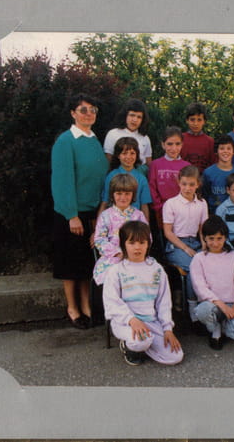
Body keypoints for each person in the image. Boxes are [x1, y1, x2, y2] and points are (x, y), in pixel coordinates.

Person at [51, 93, 108, 329]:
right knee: (69, 265)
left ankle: (86, 306)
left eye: (92, 109)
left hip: (91, 213)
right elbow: (62, 181)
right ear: (73, 113)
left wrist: (98, 215)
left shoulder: (94, 141)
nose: (88, 114)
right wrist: (72, 215)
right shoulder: (66, 141)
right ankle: (73, 309)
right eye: (83, 110)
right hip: (71, 214)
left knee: (86, 265)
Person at [103, 220, 183, 366]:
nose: (137, 247)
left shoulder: (157, 270)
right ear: (123, 244)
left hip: (151, 322)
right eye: (131, 243)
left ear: (148, 244)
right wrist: (131, 320)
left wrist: (167, 329)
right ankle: (129, 346)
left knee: (175, 357)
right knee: (141, 341)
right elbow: (111, 301)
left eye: (142, 242)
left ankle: (146, 344)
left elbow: (164, 302)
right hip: (126, 322)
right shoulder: (116, 271)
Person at [191, 216, 234, 350]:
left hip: (232, 303)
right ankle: (215, 328)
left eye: (219, 238)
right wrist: (222, 306)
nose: (215, 243)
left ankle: (224, 325)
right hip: (212, 304)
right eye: (211, 238)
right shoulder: (199, 258)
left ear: (225, 238)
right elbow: (200, 287)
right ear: (204, 238)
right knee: (202, 311)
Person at [162, 165, 208, 323]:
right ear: (179, 183)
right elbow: (168, 232)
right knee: (193, 267)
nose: (187, 188)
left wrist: (204, 244)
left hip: (195, 242)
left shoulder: (201, 203)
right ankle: (192, 307)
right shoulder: (171, 203)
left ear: (198, 184)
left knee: (207, 263)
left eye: (191, 184)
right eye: (184, 184)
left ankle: (206, 304)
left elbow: (202, 228)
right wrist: (185, 248)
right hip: (176, 245)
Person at [92, 173, 148, 285]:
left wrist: (133, 252)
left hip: (136, 255)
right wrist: (117, 253)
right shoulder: (105, 215)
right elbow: (99, 240)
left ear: (133, 195)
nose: (123, 197)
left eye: (127, 193)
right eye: (119, 193)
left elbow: (147, 237)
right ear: (112, 195)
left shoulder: (139, 215)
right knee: (114, 275)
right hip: (113, 257)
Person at [98, 137, 152, 222]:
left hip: (134, 223)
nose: (128, 157)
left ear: (137, 155)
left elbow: (144, 205)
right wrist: (98, 226)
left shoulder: (141, 178)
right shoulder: (111, 176)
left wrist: (146, 227)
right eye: (124, 153)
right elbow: (105, 202)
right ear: (118, 155)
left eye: (132, 153)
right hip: (114, 222)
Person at [148, 126, 191, 224]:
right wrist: (159, 208)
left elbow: (190, 190)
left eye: (177, 144)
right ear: (163, 145)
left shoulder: (187, 166)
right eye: (169, 144)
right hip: (161, 212)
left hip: (182, 212)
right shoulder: (155, 165)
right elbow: (152, 188)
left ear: (182, 145)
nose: (173, 148)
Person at [103, 98, 153, 169]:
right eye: (132, 115)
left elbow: (148, 162)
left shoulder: (145, 138)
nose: (135, 120)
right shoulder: (113, 134)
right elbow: (108, 159)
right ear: (125, 115)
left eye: (139, 117)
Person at [201, 134, 234, 212]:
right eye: (222, 148)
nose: (225, 151)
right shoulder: (208, 172)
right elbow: (205, 195)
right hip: (214, 213)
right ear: (216, 151)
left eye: (229, 148)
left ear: (233, 151)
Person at [180, 102, 215, 172]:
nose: (196, 123)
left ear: (204, 121)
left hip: (203, 177)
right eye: (192, 120)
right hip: (183, 177)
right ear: (187, 120)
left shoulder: (210, 142)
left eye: (199, 120)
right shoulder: (180, 139)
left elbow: (214, 164)